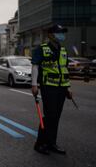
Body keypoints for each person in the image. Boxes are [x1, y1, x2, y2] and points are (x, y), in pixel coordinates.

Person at [31, 24, 72, 155]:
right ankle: (40, 144)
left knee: (56, 117)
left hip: (61, 88)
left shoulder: (63, 50)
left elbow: (65, 70)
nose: (62, 35)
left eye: (62, 32)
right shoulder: (42, 49)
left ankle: (51, 143)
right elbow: (35, 66)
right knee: (50, 116)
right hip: (48, 87)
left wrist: (68, 87)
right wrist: (34, 85)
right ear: (50, 35)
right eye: (59, 33)